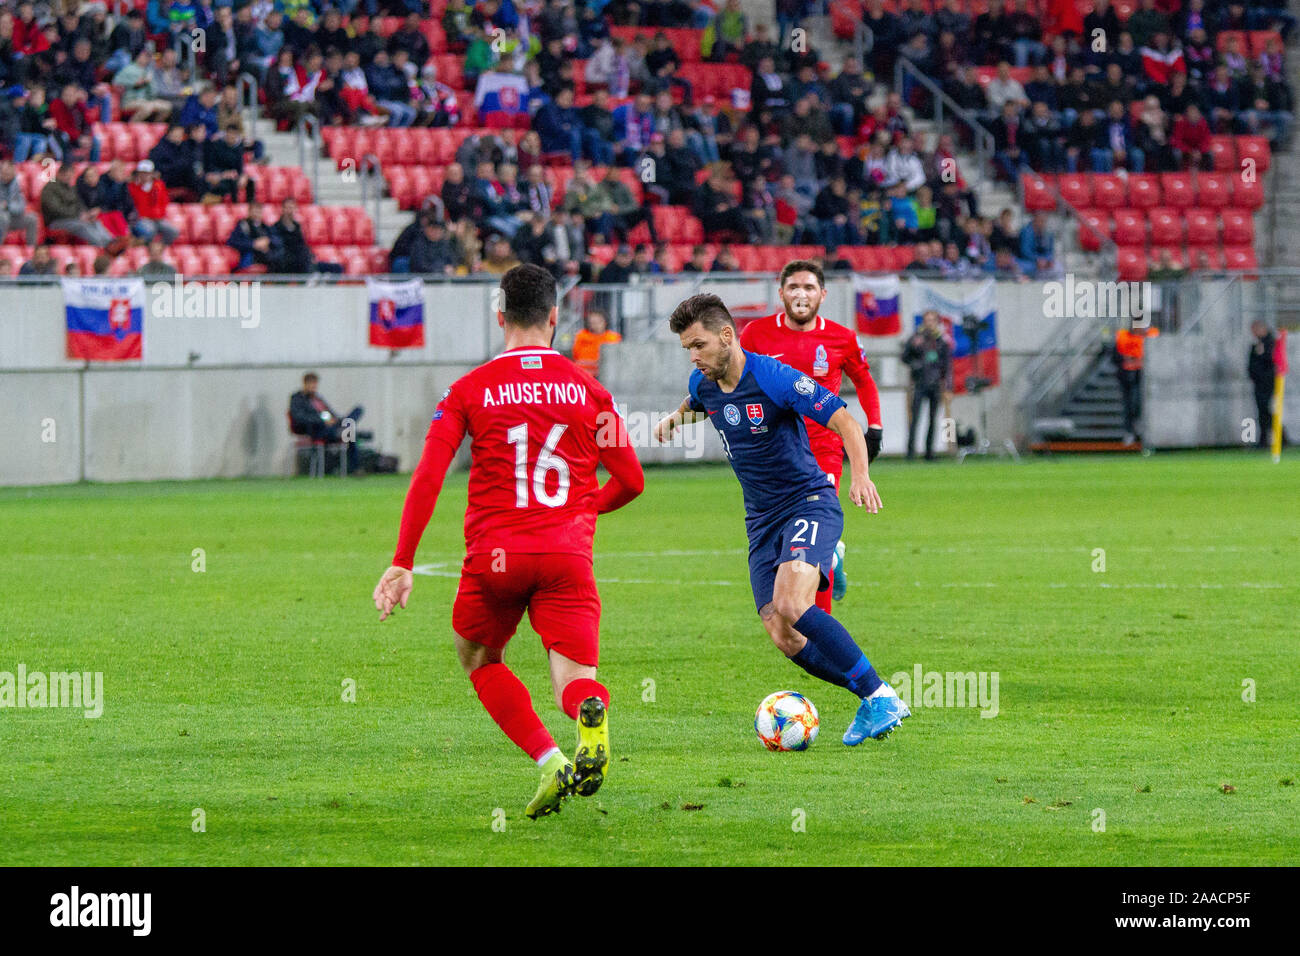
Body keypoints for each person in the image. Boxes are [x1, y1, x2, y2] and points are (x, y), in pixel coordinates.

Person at [371, 264, 645, 819]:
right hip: (566, 553)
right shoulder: (590, 389)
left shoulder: (468, 389)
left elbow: (428, 474)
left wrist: (403, 560)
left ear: (500, 317)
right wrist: (583, 509)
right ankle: (589, 712)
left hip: (494, 555)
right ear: (554, 317)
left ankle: (549, 761)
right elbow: (632, 479)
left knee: (477, 656)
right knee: (573, 680)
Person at [654, 294, 909, 745]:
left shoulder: (775, 378)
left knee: (794, 605)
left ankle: (881, 695)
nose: (694, 357)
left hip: (808, 503)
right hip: (761, 523)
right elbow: (696, 402)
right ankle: (871, 699)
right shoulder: (705, 382)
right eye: (687, 349)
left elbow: (845, 421)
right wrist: (673, 421)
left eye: (699, 345)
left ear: (727, 337)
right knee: (783, 634)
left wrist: (860, 477)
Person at [739, 260, 884, 608]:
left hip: (823, 452)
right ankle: (835, 555)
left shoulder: (841, 338)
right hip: (773, 453)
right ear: (781, 294)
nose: (800, 294)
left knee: (813, 540)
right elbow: (741, 384)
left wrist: (874, 425)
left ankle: (822, 632)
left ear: (822, 294)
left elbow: (864, 381)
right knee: (784, 540)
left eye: (808, 287)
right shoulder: (756, 335)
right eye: (793, 287)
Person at [288, 372, 367, 473]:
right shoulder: (297, 399)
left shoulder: (318, 399)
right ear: (305, 384)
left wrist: (335, 420)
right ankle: (355, 467)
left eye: (315, 385)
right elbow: (299, 418)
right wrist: (323, 420)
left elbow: (331, 413)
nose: (314, 388)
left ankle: (355, 468)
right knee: (350, 432)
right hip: (318, 430)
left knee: (358, 411)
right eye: (312, 385)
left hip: (332, 427)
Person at [902, 310, 953, 460]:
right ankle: (910, 452)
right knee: (915, 418)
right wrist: (914, 364)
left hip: (935, 384)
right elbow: (904, 357)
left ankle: (929, 452)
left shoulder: (942, 341)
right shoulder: (916, 338)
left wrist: (948, 387)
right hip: (919, 383)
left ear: (936, 322)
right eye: (927, 320)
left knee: (933, 419)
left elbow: (947, 366)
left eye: (932, 320)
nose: (929, 323)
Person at [1113, 319, 1160, 445]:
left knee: (1138, 401)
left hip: (1140, 374)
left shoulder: (1148, 336)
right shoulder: (1123, 336)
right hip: (1125, 375)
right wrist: (1125, 359)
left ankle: (1138, 426)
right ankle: (1129, 430)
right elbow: (1114, 355)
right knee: (1128, 404)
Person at [1248, 320, 1279, 449]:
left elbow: (1271, 361)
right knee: (1263, 411)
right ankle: (1267, 439)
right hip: (1258, 383)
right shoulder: (1257, 344)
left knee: (1266, 411)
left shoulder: (1270, 343)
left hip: (1267, 383)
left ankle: (1277, 437)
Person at [571, 309, 622, 378]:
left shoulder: (613, 337)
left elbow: (616, 359)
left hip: (605, 375)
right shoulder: (581, 336)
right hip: (583, 375)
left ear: (605, 322)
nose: (595, 325)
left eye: (598, 322)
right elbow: (576, 356)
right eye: (592, 322)